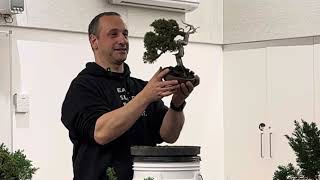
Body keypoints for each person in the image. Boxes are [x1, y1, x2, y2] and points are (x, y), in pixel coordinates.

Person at [61, 12, 199, 180]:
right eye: (113, 34)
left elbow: (168, 135)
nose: (122, 40)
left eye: (125, 34)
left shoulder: (139, 87)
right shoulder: (83, 87)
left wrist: (177, 104)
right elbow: (101, 132)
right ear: (94, 41)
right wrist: (145, 97)